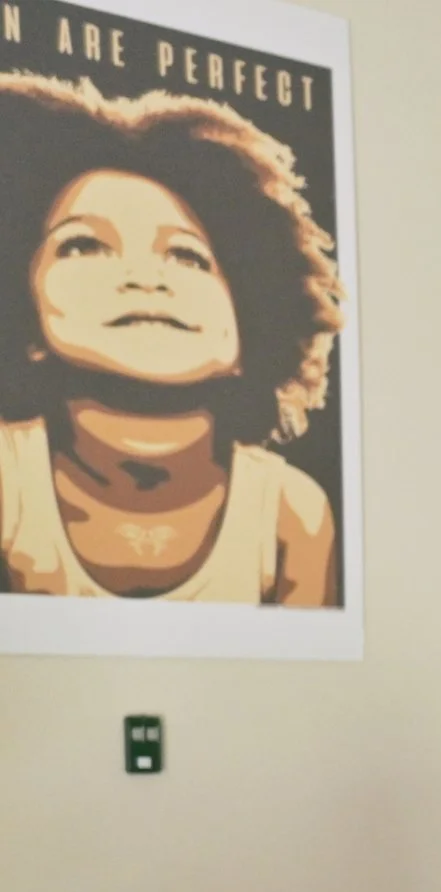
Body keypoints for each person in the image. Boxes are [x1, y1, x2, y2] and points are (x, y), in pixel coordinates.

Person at [0, 73, 343, 606]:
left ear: (248, 321)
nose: (146, 278)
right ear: (24, 316)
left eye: (187, 256)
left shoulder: (291, 512)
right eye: (84, 245)